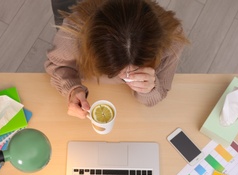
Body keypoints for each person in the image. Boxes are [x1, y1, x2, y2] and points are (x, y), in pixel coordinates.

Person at [45, 0, 188, 119]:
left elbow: (160, 91)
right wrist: (72, 88)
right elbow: (57, 65)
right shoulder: (73, 33)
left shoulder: (173, 40)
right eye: (114, 70)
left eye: (137, 67)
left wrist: (150, 89)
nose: (124, 77)